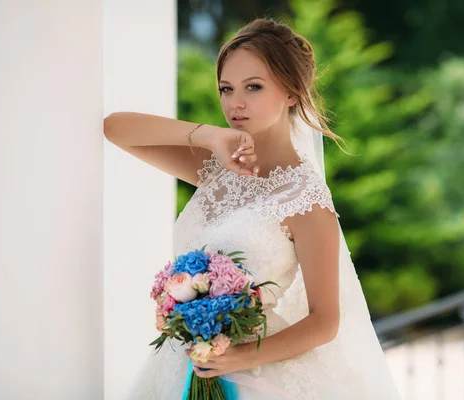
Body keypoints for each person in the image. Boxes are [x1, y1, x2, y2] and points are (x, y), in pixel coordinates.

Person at [104, 18, 400, 400]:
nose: (235, 103)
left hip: (256, 373)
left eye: (253, 87)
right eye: (226, 89)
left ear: (291, 93)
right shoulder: (216, 168)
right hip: (182, 364)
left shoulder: (305, 199)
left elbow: (325, 321)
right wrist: (210, 136)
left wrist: (238, 358)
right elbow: (115, 128)